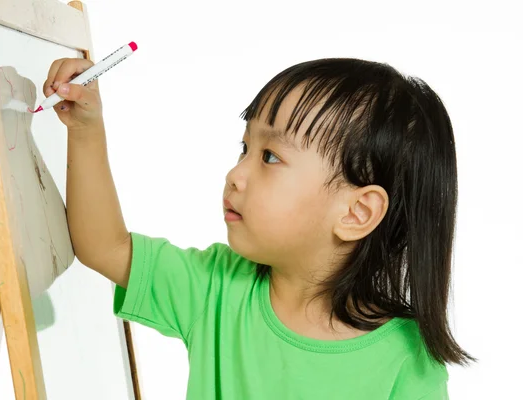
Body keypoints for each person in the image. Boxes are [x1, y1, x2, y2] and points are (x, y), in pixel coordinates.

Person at [43, 56, 474, 399]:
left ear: (356, 213)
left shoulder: (408, 362)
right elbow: (104, 247)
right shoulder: (216, 287)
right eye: (245, 147)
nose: (235, 173)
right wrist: (85, 129)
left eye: (270, 157)